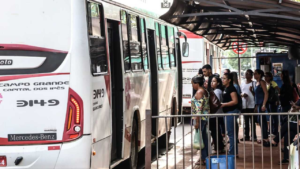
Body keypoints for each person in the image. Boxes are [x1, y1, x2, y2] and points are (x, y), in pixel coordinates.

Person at [271, 99, 300, 164]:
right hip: (295, 124)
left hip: (297, 125)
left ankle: (276, 140)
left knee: (287, 124)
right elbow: (292, 111)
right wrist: (294, 107)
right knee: (287, 135)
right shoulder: (298, 100)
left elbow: (297, 108)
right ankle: (286, 158)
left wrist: (296, 107)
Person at [191, 75, 210, 165]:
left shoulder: (199, 92)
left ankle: (203, 158)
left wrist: (197, 122)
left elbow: (199, 109)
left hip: (200, 118)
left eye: (192, 84)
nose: (192, 86)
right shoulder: (205, 91)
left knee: (200, 139)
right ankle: (205, 157)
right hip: (205, 118)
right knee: (204, 138)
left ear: (197, 84)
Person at [221, 73, 239, 156]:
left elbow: (235, 101)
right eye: (222, 78)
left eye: (225, 78)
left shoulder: (231, 88)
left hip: (231, 112)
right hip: (228, 112)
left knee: (231, 133)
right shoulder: (226, 88)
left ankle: (232, 152)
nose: (223, 80)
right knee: (232, 133)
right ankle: (233, 151)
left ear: (229, 80)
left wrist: (224, 104)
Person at [251, 69, 269, 146]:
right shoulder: (256, 83)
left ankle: (265, 138)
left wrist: (264, 104)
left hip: (261, 104)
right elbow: (256, 95)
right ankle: (264, 137)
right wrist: (256, 105)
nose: (254, 75)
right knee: (260, 120)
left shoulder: (262, 82)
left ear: (259, 75)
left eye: (255, 74)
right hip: (258, 104)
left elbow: (266, 93)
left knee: (262, 120)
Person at [210, 76, 225, 153]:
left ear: (218, 83)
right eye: (212, 81)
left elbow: (216, 103)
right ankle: (219, 147)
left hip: (215, 114)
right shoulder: (218, 91)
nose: (212, 83)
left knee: (215, 132)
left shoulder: (217, 91)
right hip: (217, 114)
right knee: (217, 131)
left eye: (214, 81)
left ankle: (218, 147)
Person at [240, 69, 257, 141]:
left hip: (252, 105)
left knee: (253, 122)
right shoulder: (242, 84)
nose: (247, 75)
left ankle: (254, 136)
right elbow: (240, 93)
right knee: (246, 122)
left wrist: (251, 91)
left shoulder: (254, 83)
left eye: (249, 74)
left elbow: (256, 95)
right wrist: (243, 95)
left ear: (251, 76)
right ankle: (246, 136)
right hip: (245, 105)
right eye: (246, 74)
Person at [265, 72, 280, 136]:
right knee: (270, 116)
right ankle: (270, 130)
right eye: (265, 76)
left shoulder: (273, 83)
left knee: (274, 116)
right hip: (268, 102)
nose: (265, 78)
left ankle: (275, 131)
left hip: (273, 102)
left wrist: (277, 99)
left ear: (270, 77)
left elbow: (278, 90)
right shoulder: (265, 84)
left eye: (267, 76)